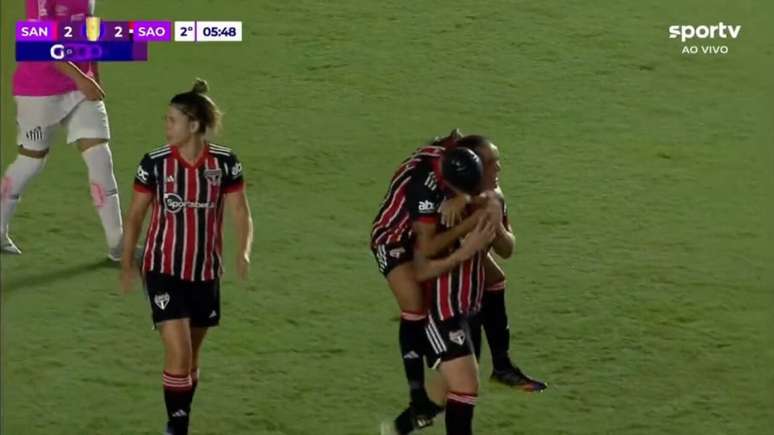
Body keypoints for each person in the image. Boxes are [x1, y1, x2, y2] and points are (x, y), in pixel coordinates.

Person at [119, 79, 253, 435]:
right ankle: (177, 429)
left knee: (191, 358)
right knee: (178, 353)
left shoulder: (225, 163)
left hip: (205, 272)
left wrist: (243, 250)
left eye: (171, 120)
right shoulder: (155, 163)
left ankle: (180, 420)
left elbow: (241, 212)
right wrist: (127, 261)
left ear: (193, 125)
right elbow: (135, 215)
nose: (166, 126)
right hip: (162, 268)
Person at [371, 133, 499, 428]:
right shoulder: (423, 187)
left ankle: (396, 429)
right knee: (414, 305)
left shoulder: (455, 153)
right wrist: (472, 227)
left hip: (462, 302)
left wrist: (464, 197)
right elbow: (426, 254)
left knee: (447, 388)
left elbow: (456, 135)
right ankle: (415, 393)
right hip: (391, 238)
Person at [1, 0, 123, 259]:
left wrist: (94, 72)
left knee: (101, 157)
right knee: (32, 161)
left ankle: (117, 244)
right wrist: (82, 77)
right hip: (39, 89)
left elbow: (91, 28)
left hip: (79, 87)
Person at [446, 135, 547, 391]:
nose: (499, 168)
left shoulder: (495, 196)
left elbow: (507, 248)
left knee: (494, 278)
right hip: (435, 270)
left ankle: (501, 366)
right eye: (491, 163)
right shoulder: (446, 203)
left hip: (465, 263)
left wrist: (495, 222)